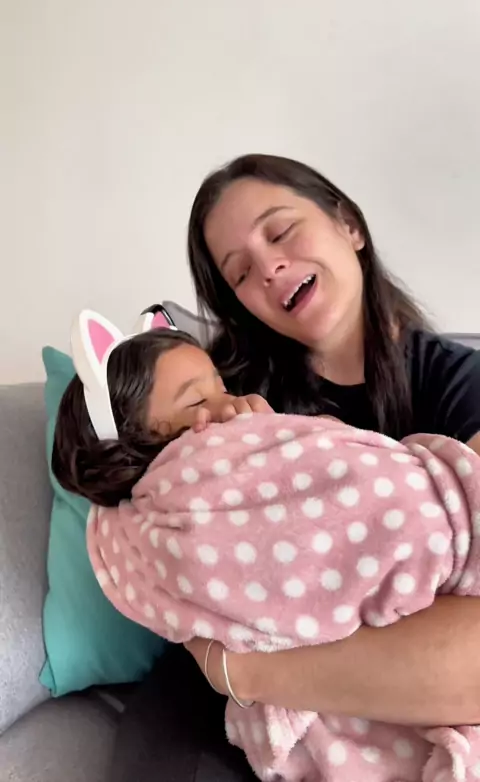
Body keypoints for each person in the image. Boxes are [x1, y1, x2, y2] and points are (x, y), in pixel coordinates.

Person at [107, 154, 480, 782]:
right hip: (218, 705)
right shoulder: (219, 395)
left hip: (302, 692)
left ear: (349, 225)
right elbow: (145, 521)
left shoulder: (459, 384)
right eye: (240, 272)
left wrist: (246, 671)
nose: (268, 267)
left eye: (280, 232)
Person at [53, 309, 480, 780]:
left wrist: (241, 670)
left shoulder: (445, 371)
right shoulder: (239, 377)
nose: (230, 404)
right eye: (198, 400)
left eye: (221, 388)